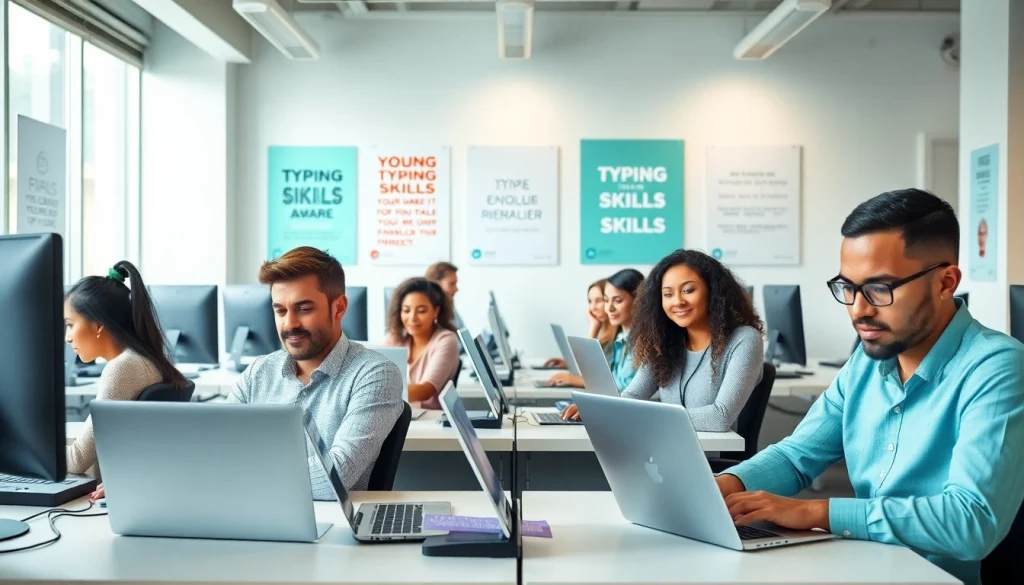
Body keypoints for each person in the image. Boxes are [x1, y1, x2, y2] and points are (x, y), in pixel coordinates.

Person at [715, 189, 1024, 585]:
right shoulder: (867, 360)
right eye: (849, 288)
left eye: (880, 288)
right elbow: (797, 457)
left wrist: (817, 512)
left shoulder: (996, 368)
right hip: (859, 565)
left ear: (946, 282)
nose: (859, 309)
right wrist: (724, 486)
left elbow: (971, 521)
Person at [226, 247, 404, 498]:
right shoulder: (259, 371)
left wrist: (242, 476)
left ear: (339, 307)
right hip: (251, 515)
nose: (290, 324)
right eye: (280, 310)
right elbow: (219, 451)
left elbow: (335, 477)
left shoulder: (375, 374)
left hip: (329, 529)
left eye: (304, 308)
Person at [562, 250, 764, 430]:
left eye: (688, 290)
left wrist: (637, 415)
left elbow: (720, 417)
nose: (677, 301)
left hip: (711, 461)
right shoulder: (664, 339)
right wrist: (596, 408)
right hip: (657, 450)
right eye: (667, 294)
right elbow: (632, 397)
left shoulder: (744, 339)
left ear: (713, 291)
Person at [64, 261, 188, 496]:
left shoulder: (122, 369)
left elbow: (77, 459)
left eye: (70, 325)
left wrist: (22, 451)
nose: (67, 337)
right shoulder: (145, 359)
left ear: (98, 324)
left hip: (101, 501)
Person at [549, 268, 644, 389]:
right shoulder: (621, 340)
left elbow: (618, 387)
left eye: (618, 300)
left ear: (638, 301)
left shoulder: (640, 342)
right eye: (606, 300)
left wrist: (594, 327)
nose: (608, 308)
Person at [384, 277, 460, 409]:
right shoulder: (394, 339)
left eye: (421, 311)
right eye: (406, 310)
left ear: (435, 311)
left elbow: (426, 390)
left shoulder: (446, 340)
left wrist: (379, 392)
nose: (412, 318)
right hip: (397, 414)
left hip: (429, 418)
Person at [543, 279, 618, 369]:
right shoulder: (603, 334)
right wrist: (570, 364)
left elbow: (587, 370)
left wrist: (593, 327)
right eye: (590, 301)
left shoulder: (617, 338)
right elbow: (589, 364)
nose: (592, 307)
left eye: (599, 301)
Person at [425, 261, 464, 330]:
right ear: (436, 285)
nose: (456, 289)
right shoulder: (429, 314)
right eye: (452, 284)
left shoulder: (450, 307)